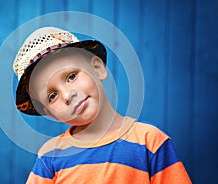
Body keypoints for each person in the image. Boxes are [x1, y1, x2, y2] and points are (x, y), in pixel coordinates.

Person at [13, 27, 191, 183]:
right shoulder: (50, 156)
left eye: (72, 76)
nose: (68, 95)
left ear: (97, 68)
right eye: (52, 96)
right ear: (50, 113)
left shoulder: (150, 142)